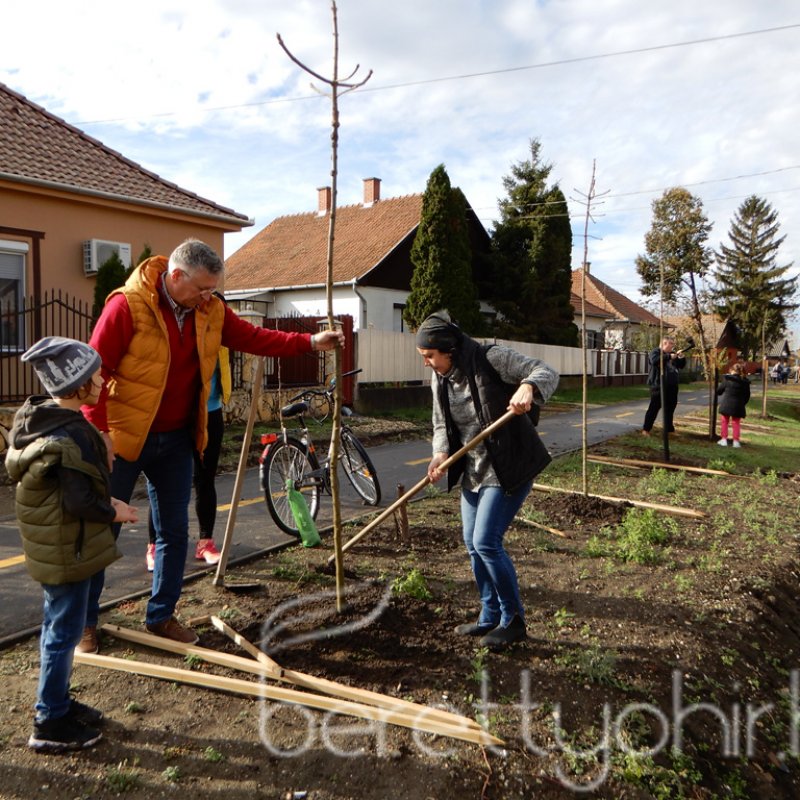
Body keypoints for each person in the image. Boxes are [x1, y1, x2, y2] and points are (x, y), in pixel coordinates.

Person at [81, 238, 343, 651]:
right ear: (176, 275)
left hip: (177, 438)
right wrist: (99, 433)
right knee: (102, 530)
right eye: (202, 288)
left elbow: (255, 338)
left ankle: (162, 616)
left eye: (212, 289)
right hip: (122, 436)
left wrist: (309, 343)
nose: (209, 296)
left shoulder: (210, 310)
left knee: (174, 532)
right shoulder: (127, 306)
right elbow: (92, 371)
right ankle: (85, 621)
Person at [5, 337, 138, 752]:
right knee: (63, 632)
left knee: (55, 625)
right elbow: (80, 500)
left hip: (57, 544)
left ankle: (58, 702)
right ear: (78, 384)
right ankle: (49, 722)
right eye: (95, 374)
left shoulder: (40, 422)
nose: (102, 380)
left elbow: (72, 488)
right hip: (70, 547)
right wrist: (113, 510)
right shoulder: (75, 435)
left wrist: (107, 498)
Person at [416, 311, 558, 651]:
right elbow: (441, 425)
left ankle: (514, 621)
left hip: (508, 467)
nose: (427, 363)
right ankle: (489, 615)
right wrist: (439, 455)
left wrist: (528, 385)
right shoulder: (442, 378)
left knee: (486, 542)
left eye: (429, 356)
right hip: (474, 472)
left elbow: (545, 371)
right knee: (472, 544)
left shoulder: (490, 358)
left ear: (448, 349)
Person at [144, 321, 230, 571]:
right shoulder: (180, 333)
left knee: (205, 479)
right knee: (162, 483)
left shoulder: (220, 338)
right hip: (178, 416)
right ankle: (154, 546)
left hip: (211, 412)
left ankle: (206, 542)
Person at [641, 337, 687, 436]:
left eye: (673, 344)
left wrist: (681, 357)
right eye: (671, 344)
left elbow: (681, 366)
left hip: (672, 386)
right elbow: (654, 361)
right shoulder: (655, 352)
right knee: (654, 408)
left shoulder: (672, 354)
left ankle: (669, 430)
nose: (672, 346)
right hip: (659, 385)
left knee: (670, 409)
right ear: (664, 343)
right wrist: (670, 357)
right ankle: (646, 430)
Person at [717, 362, 751, 448]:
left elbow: (719, 391)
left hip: (727, 404)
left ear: (732, 370)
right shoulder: (745, 382)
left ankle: (724, 439)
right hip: (738, 406)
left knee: (724, 421)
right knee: (736, 423)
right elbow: (747, 396)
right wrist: (742, 403)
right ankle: (736, 441)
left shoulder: (728, 379)